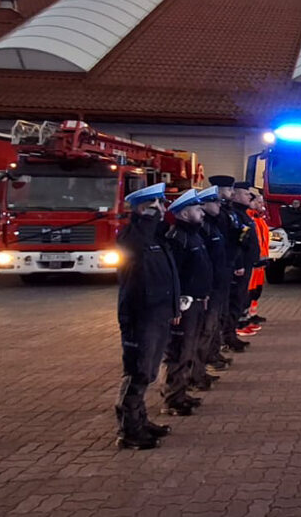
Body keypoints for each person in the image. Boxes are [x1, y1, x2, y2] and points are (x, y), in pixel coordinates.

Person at [115, 182, 180, 450]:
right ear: (144, 209)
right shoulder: (132, 237)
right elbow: (134, 248)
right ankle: (129, 429)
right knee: (137, 372)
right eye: (157, 205)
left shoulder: (156, 238)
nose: (163, 209)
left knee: (149, 371)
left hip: (158, 313)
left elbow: (170, 276)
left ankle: (141, 420)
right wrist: (146, 220)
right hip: (140, 315)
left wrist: (173, 308)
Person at [160, 189, 212, 417]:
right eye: (197, 209)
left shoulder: (193, 235)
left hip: (197, 301)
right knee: (178, 351)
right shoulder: (177, 238)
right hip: (184, 304)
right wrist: (177, 305)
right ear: (183, 213)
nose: (202, 212)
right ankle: (172, 399)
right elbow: (174, 275)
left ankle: (181, 392)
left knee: (188, 349)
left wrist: (204, 294)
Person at [192, 186, 230, 388]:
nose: (219, 206)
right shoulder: (202, 229)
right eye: (214, 202)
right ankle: (195, 374)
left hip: (217, 285)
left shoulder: (212, 226)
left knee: (211, 328)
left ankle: (200, 371)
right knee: (203, 332)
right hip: (208, 289)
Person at [207, 175, 249, 352]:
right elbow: (226, 242)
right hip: (223, 266)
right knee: (219, 310)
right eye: (229, 189)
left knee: (227, 307)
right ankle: (218, 346)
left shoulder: (229, 211)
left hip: (229, 264)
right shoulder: (220, 215)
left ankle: (223, 341)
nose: (231, 192)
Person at [229, 181, 260, 340]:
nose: (249, 196)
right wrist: (239, 263)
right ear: (235, 195)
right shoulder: (235, 215)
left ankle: (233, 332)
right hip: (239, 265)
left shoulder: (243, 214)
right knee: (235, 299)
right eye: (246, 193)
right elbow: (236, 243)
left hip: (246, 263)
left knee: (241, 297)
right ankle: (230, 334)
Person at [246, 190, 270, 327]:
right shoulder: (249, 219)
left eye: (262, 202)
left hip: (260, 262)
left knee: (256, 290)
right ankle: (246, 317)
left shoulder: (259, 219)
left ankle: (253, 313)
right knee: (249, 290)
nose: (262, 205)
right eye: (259, 202)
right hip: (253, 262)